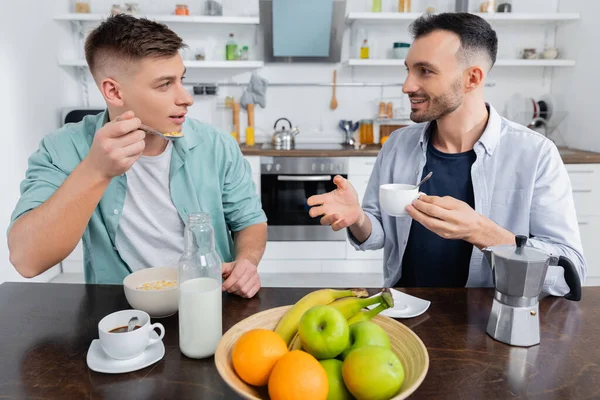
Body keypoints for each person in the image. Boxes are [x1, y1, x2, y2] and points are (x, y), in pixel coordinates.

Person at [308, 13, 585, 295]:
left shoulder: (535, 154)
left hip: (488, 322)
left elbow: (568, 274)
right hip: (404, 311)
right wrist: (358, 219)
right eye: (408, 70)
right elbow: (377, 235)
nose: (407, 86)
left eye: (425, 71)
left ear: (472, 78)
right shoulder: (397, 145)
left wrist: (482, 232)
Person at [7, 14, 267, 298]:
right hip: (120, 314)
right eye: (165, 84)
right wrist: (96, 170)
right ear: (114, 91)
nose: (186, 98)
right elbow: (27, 260)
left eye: (181, 80)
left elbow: (250, 221)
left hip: (209, 300)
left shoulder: (217, 145)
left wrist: (247, 262)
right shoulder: (63, 148)